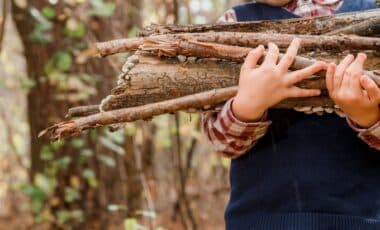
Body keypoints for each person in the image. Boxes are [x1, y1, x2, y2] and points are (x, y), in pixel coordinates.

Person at [202, 0, 380, 229]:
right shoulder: (234, 23)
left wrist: (367, 116)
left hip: (360, 220)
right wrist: (247, 106)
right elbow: (220, 142)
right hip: (259, 221)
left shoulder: (371, 15)